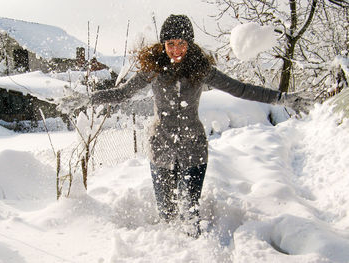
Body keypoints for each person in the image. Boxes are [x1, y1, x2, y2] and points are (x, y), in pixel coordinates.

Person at [65, 14, 310, 238]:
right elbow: (122, 93)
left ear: (190, 44)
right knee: (167, 212)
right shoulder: (153, 71)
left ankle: (194, 250)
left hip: (193, 148)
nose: (176, 49)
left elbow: (241, 89)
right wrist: (88, 98)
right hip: (161, 147)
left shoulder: (202, 71)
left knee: (190, 213)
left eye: (181, 43)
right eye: (170, 43)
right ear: (163, 45)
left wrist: (282, 98)